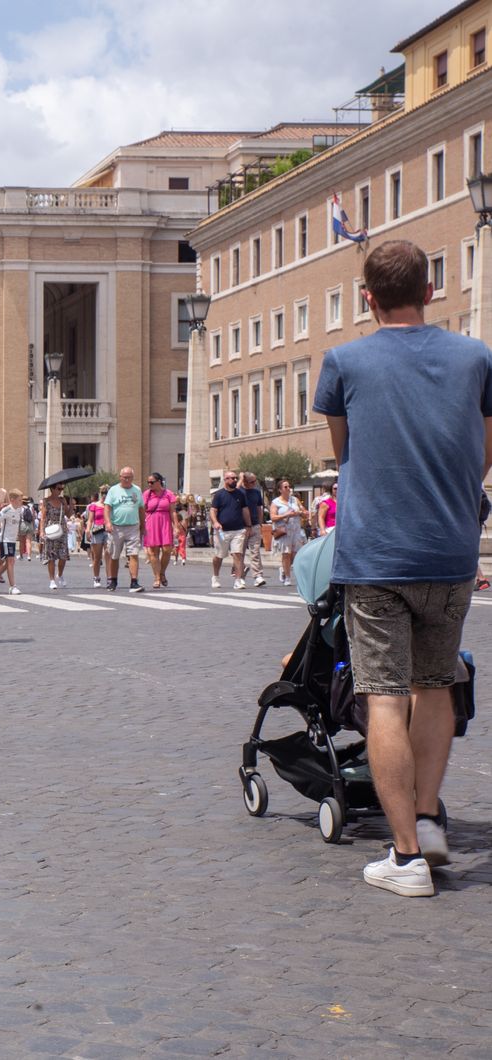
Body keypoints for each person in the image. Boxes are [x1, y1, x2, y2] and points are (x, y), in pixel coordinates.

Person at [311, 239, 492, 897]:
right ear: (431, 289)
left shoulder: (344, 361)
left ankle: (407, 855)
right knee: (436, 684)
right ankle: (427, 816)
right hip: (450, 549)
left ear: (367, 298)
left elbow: (346, 450)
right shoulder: (477, 358)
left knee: (384, 695)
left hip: (377, 553)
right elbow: (482, 453)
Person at [102, 467, 144, 593]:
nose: (126, 479)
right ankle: (113, 580)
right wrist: (108, 522)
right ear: (120, 477)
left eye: (129, 477)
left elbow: (141, 508)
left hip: (133, 526)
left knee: (134, 554)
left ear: (132, 477)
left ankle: (134, 582)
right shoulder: (114, 490)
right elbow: (107, 508)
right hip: (116, 527)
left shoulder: (137, 490)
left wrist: (143, 525)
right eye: (124, 477)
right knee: (114, 555)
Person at [209, 471, 251, 590]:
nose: (233, 480)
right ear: (225, 480)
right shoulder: (219, 495)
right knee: (219, 555)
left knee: (237, 554)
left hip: (238, 530)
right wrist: (215, 522)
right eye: (231, 478)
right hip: (222, 531)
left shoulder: (240, 494)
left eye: (235, 478)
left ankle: (238, 580)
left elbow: (245, 510)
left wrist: (248, 525)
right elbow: (213, 511)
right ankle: (215, 577)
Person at [142, 472, 179, 590]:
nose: (149, 484)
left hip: (165, 522)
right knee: (153, 552)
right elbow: (142, 511)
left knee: (167, 549)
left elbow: (172, 511)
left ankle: (162, 572)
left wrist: (176, 526)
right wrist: (141, 525)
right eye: (148, 482)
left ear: (159, 482)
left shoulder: (168, 494)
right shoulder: (146, 494)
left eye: (152, 482)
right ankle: (157, 577)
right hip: (151, 523)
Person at [269, 479, 306, 587]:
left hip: (296, 529)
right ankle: (288, 578)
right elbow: (273, 517)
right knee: (286, 553)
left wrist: (302, 513)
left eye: (289, 486)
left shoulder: (295, 500)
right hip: (284, 530)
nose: (288, 488)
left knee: (295, 554)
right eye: (285, 487)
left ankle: (284, 570)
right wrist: (286, 514)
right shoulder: (276, 502)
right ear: (280, 490)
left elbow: (304, 511)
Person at [41, 483, 73, 590]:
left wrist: (70, 505)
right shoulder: (46, 501)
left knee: (63, 556)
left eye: (62, 489)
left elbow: (68, 515)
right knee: (51, 557)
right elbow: (43, 518)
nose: (60, 491)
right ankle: (52, 580)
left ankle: (60, 574)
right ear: (52, 489)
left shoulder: (62, 500)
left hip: (62, 529)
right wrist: (41, 532)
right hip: (50, 530)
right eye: (58, 489)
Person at [0, 489, 24, 595]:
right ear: (12, 500)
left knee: (9, 562)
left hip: (12, 540)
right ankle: (12, 586)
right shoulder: (7, 510)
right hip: (5, 539)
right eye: (19, 500)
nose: (21, 502)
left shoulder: (19, 510)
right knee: (10, 561)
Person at [240, 471, 267, 588]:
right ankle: (239, 574)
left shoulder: (256, 492)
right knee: (239, 552)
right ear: (245, 481)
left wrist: (260, 523)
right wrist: (240, 479)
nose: (255, 483)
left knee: (255, 551)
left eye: (255, 481)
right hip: (241, 526)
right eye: (252, 482)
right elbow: (234, 491)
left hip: (255, 525)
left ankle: (258, 576)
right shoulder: (239, 492)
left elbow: (259, 508)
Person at [84, 491, 108, 589]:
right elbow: (90, 520)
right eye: (103, 493)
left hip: (108, 531)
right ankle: (96, 577)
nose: (104, 495)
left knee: (109, 555)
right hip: (97, 531)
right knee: (97, 557)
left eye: (106, 493)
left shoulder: (110, 505)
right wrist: (88, 530)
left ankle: (110, 578)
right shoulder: (94, 506)